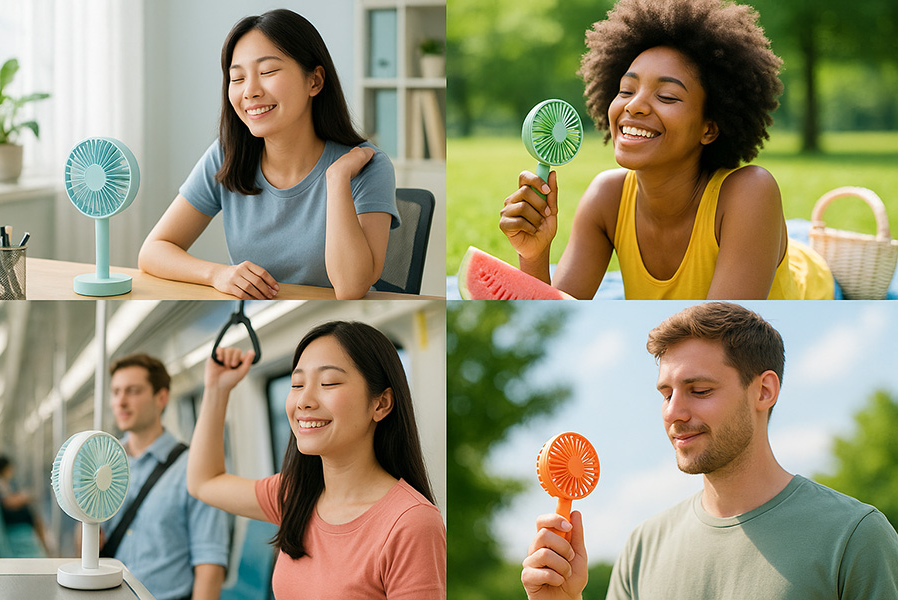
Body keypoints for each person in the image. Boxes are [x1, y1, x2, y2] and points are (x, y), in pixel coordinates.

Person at [521, 302, 898, 599]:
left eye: (699, 391)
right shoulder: (642, 547)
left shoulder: (855, 537)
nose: (673, 413)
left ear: (764, 391)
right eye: (666, 394)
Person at [499, 0, 833, 300]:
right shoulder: (607, 198)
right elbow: (557, 307)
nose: (636, 106)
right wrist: (534, 255)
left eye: (667, 97)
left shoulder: (750, 192)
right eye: (626, 90)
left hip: (815, 284)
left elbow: (723, 322)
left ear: (709, 127)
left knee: (806, 243)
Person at [139, 9, 398, 300]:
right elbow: (153, 251)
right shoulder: (228, 155)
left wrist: (337, 179)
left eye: (268, 72)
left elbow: (350, 288)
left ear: (315, 81)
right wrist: (217, 274)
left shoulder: (368, 167)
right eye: (237, 79)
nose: (250, 91)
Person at [187, 321, 447, 599]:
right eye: (297, 384)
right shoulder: (295, 495)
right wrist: (216, 389)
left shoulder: (411, 523)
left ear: (381, 404)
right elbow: (204, 482)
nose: (304, 401)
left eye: (328, 383)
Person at [106, 353, 230, 600]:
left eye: (132, 391)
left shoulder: (195, 468)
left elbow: (210, 563)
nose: (120, 401)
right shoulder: (102, 465)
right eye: (116, 392)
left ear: (161, 397)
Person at [0, 455, 49, 556]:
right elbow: (8, 502)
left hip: (10, 515)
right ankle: (46, 548)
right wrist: (24, 497)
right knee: (34, 518)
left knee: (34, 516)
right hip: (8, 518)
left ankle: (45, 546)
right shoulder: (0, 483)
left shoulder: (4, 483)